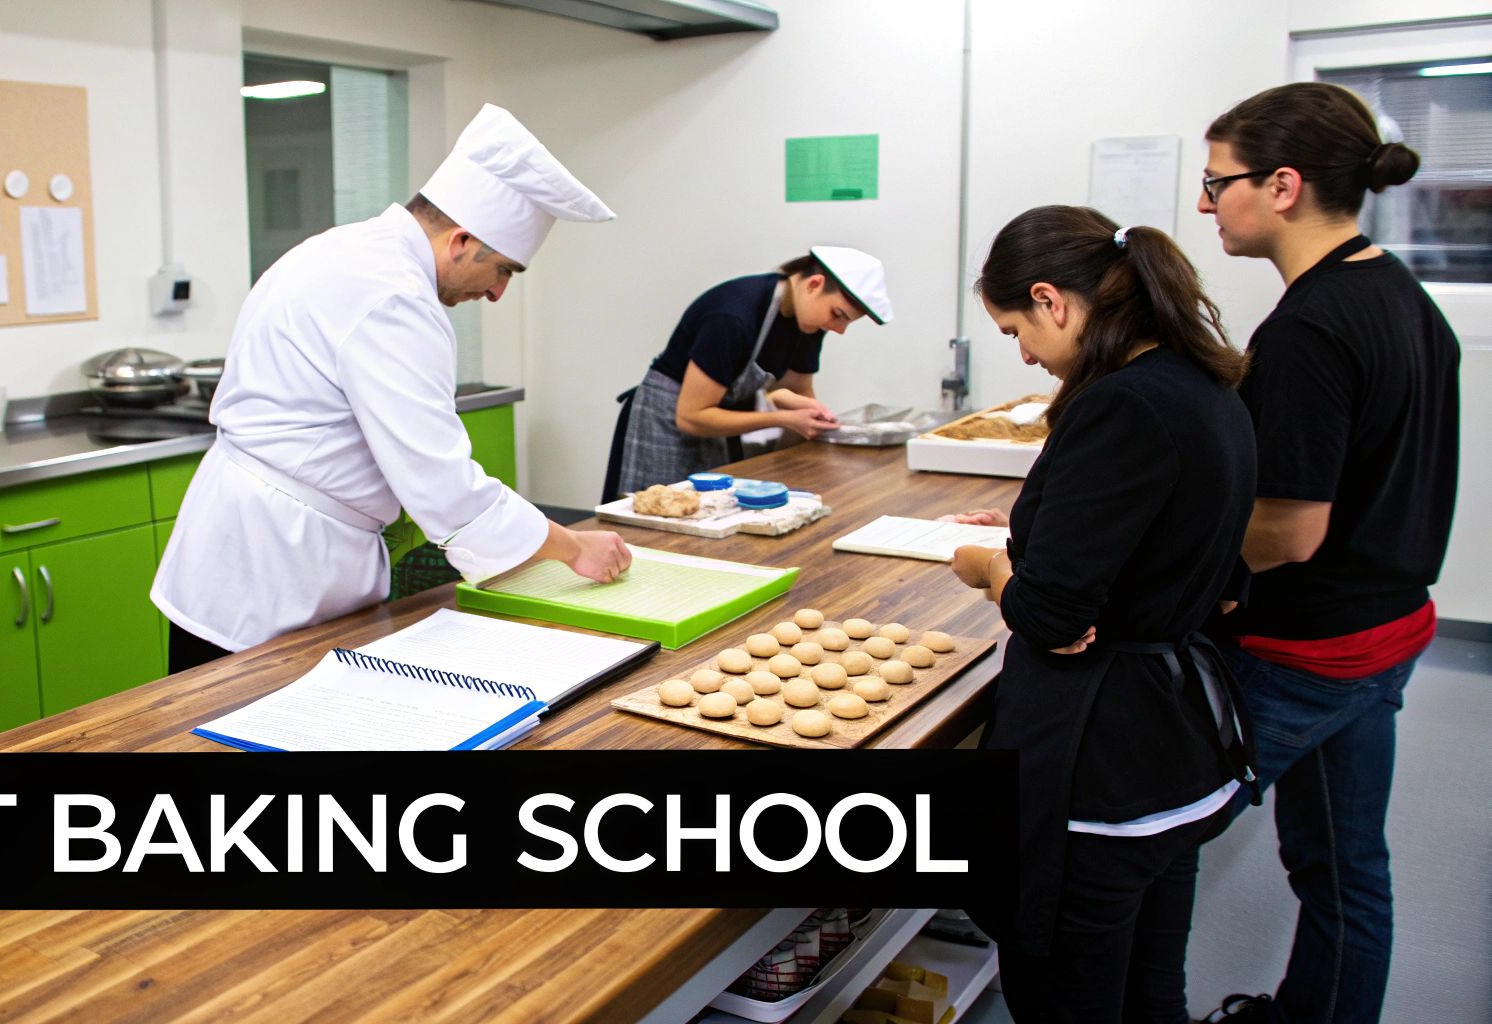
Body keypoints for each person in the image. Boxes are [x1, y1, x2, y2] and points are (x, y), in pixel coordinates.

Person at [153, 104, 632, 673]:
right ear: (461, 241)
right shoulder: (393, 297)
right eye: (503, 269)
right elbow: (442, 485)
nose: (497, 292)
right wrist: (574, 548)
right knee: (233, 712)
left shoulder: (347, 249)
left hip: (250, 548)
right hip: (273, 571)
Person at [947, 206, 1258, 1022]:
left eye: (1016, 330)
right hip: (1178, 754)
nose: (1024, 354)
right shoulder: (1204, 383)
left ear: (1050, 300)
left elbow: (1051, 616)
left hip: (1103, 769)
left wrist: (994, 568)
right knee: (1152, 991)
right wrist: (1048, 533)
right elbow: (1219, 574)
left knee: (1065, 995)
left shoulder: (1120, 405)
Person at [1194, 83, 1459, 1024]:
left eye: (1216, 182)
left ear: (1283, 185)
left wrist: (1167, 552)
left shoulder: (1310, 327)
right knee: (1344, 869)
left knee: (1136, 839)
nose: (1204, 204)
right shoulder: (1398, 293)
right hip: (1387, 633)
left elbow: (1290, 532)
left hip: (1305, 654)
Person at [602, 247, 891, 502]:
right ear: (814, 285)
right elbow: (691, 417)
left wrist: (810, 412)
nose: (839, 329)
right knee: (657, 517)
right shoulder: (733, 316)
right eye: (838, 315)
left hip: (716, 425)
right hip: (666, 423)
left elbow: (795, 389)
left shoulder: (809, 323)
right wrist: (783, 418)